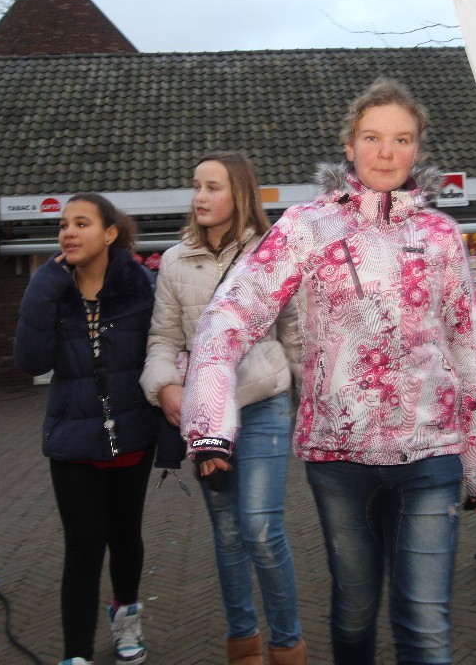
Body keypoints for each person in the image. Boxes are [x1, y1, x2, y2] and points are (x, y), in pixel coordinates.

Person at [181, 78, 476, 665]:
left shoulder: (441, 236)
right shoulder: (307, 226)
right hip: (340, 456)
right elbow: (231, 311)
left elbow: (469, 348)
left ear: (417, 149)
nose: (387, 152)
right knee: (354, 610)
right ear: (349, 145)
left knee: (426, 623)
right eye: (373, 137)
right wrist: (210, 422)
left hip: (430, 452)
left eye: (402, 139)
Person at [140, 151, 307, 665]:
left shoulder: (272, 254)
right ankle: (243, 642)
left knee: (260, 526)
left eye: (213, 187)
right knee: (229, 532)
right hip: (207, 415)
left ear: (240, 193)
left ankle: (287, 644)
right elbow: (163, 339)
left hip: (263, 402)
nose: (200, 197)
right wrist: (165, 387)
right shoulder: (174, 261)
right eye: (196, 186)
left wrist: (316, 400)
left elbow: (294, 334)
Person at [14, 193, 160, 665]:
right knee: (82, 545)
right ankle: (75, 652)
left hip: (131, 434)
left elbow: (162, 351)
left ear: (110, 233)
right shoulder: (51, 291)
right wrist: (41, 290)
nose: (69, 233)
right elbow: (31, 362)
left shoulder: (141, 289)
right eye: (63, 225)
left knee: (126, 537)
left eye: (81, 223)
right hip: (72, 439)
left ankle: (126, 620)